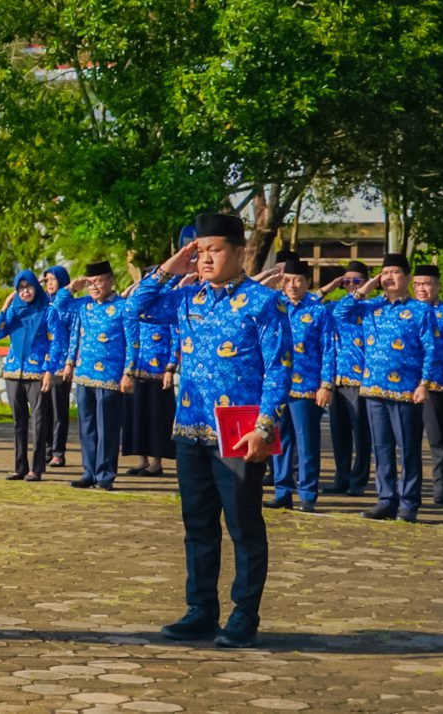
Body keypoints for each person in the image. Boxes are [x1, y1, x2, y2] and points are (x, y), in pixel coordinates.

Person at [129, 212, 291, 649]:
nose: (203, 259)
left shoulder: (262, 302)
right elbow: (134, 307)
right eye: (198, 251)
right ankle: (200, 610)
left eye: (213, 250)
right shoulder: (188, 300)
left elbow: (279, 369)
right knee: (197, 525)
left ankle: (244, 614)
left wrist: (265, 426)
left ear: (240, 253)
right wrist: (168, 269)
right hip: (190, 429)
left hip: (240, 431)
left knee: (243, 525)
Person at [332, 254, 438, 523]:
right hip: (373, 389)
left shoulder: (420, 310)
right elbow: (339, 312)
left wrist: (424, 384)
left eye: (395, 272)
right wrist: (365, 289)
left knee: (408, 448)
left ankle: (408, 504)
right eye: (385, 272)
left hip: (406, 391)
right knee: (381, 448)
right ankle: (386, 499)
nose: (389, 277)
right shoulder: (370, 307)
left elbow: (431, 349)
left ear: (407, 278)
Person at [53, 260, 136, 491]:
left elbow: (132, 343)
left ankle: (105, 474)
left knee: (107, 428)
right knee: (86, 426)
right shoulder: (84, 306)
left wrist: (128, 372)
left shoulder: (123, 307)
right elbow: (59, 307)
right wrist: (72, 287)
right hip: (84, 374)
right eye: (91, 283)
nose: (95, 287)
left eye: (99, 281)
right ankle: (89, 471)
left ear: (111, 281)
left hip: (111, 377)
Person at [266, 259, 333, 513]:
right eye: (287, 280)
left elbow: (329, 349)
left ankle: (307, 493)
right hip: (278, 386)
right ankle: (282, 490)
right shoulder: (274, 307)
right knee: (279, 442)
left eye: (298, 280)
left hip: (307, 387)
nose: (292, 285)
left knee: (306, 442)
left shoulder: (318, 311)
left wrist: (326, 385)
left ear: (308, 283)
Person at [0, 270, 63, 480]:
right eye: (21, 288)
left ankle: (37, 468)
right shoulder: (14, 311)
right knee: (19, 421)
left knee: (39, 422)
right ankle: (20, 467)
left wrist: (49, 370)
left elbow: (57, 344)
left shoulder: (48, 311)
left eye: (29, 287)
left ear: (37, 287)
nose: (25, 292)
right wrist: (5, 306)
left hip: (38, 373)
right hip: (14, 373)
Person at [317, 261, 372, 495]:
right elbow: (310, 303)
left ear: (366, 283)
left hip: (361, 379)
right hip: (336, 378)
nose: (350, 285)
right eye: (346, 281)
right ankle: (341, 477)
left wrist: (362, 293)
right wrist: (329, 287)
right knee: (339, 434)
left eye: (356, 281)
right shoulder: (334, 306)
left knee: (361, 434)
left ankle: (358, 481)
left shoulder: (371, 307)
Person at [124, 266, 179, 477]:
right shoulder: (138, 305)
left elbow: (177, 339)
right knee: (138, 416)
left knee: (157, 417)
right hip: (137, 368)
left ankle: (157, 462)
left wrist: (170, 368)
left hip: (159, 371)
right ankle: (142, 460)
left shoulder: (167, 302)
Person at [411, 264, 443, 506]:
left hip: (441, 383)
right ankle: (429, 489)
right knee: (424, 441)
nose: (421, 289)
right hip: (415, 387)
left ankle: (441, 486)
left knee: (440, 440)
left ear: (438, 285)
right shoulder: (407, 312)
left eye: (426, 283)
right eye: (417, 284)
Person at [41, 265, 75, 466]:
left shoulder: (70, 306)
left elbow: (73, 336)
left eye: (53, 279)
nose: (50, 283)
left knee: (58, 409)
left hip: (61, 364)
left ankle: (58, 451)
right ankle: (44, 448)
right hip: (42, 364)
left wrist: (70, 361)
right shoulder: (41, 303)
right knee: (42, 409)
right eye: (47, 280)